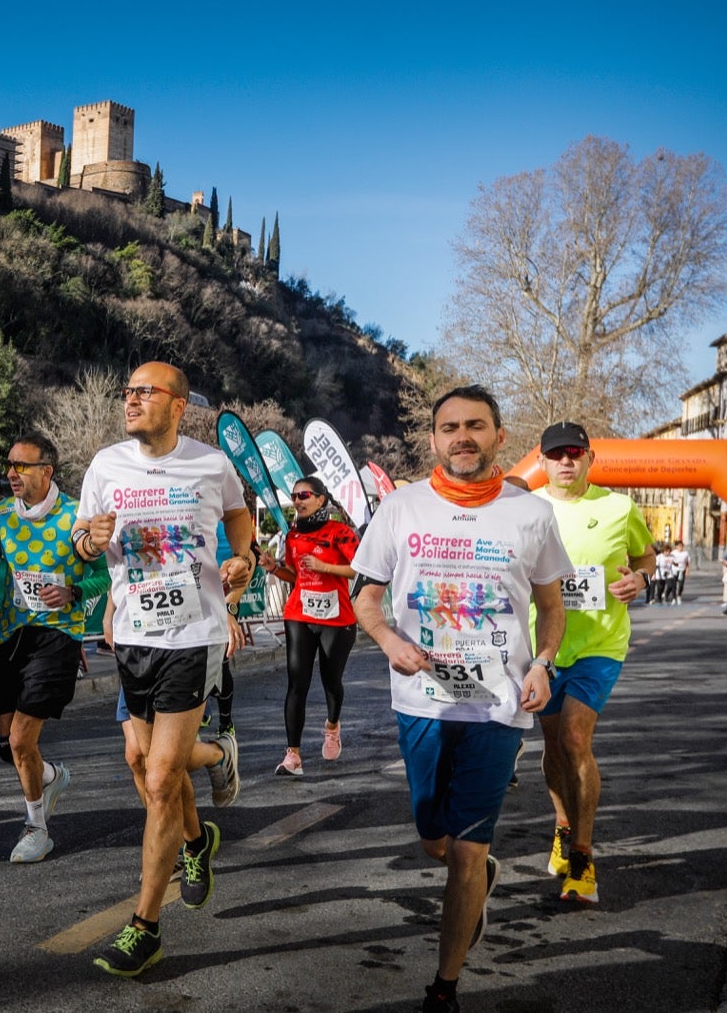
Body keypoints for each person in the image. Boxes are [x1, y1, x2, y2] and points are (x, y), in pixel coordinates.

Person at [352, 384, 568, 1013]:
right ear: (434, 440)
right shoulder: (401, 509)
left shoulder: (530, 514)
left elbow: (551, 608)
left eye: (476, 426)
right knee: (433, 838)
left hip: (499, 703)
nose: (462, 437)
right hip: (422, 696)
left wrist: (545, 664)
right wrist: (388, 637)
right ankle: (472, 879)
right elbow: (366, 598)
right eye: (450, 428)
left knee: (467, 851)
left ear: (500, 437)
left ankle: (444, 985)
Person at [75, 361, 249, 978]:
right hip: (132, 634)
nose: (131, 400)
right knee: (142, 763)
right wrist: (88, 541)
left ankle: (145, 927)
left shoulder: (210, 463)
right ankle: (199, 834)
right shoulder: (105, 465)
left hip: (192, 636)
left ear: (178, 406)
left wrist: (244, 559)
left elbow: (237, 517)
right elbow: (81, 540)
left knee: (158, 778)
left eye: (144, 392)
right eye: (127, 391)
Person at [529, 422, 655, 905]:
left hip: (600, 642)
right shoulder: (527, 508)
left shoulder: (619, 507)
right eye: (556, 454)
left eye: (574, 453)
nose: (565, 461)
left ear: (589, 458)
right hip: (544, 647)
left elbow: (647, 557)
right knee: (553, 747)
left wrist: (640, 581)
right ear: (542, 461)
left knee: (575, 738)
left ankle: (582, 860)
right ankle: (563, 823)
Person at [0, 434, 108, 862]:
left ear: (46, 471)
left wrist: (73, 592)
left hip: (58, 637)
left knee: (19, 739)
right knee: (3, 744)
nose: (11, 473)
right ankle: (49, 777)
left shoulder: (74, 517)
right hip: (13, 635)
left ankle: (36, 828)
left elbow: (104, 576)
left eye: (22, 466)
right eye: (9, 465)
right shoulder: (1, 517)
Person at [259, 475, 359, 776]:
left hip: (336, 618)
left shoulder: (340, 532)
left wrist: (325, 566)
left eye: (304, 495)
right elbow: (296, 576)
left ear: (321, 499)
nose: (298, 500)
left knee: (331, 682)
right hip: (300, 614)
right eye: (295, 496)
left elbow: (360, 569)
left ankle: (331, 725)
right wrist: (275, 567)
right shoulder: (292, 536)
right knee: (297, 682)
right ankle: (293, 755)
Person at [667, 540, 690, 605]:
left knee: (681, 584)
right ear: (676, 547)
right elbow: (670, 561)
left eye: (681, 546)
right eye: (679, 546)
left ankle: (679, 596)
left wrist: (687, 570)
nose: (680, 547)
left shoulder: (686, 553)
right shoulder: (673, 553)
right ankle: (674, 598)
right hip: (674, 570)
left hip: (682, 570)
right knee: (673, 585)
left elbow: (687, 562)